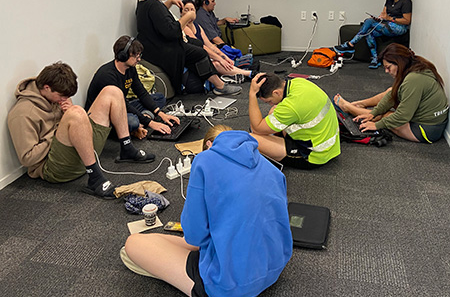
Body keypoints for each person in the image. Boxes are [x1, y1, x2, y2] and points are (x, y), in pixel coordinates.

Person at [120, 125, 293, 296]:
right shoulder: (268, 165)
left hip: (230, 285)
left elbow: (195, 237)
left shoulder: (205, 161)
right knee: (168, 240)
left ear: (209, 145)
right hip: (274, 266)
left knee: (132, 245)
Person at [7, 62, 155, 199]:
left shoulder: (54, 96)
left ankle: (126, 148)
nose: (63, 99)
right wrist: (58, 130)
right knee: (76, 113)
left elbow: (71, 122)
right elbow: (27, 158)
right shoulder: (22, 113)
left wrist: (67, 111)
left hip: (80, 152)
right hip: (53, 168)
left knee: (112, 91)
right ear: (46, 88)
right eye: (61, 96)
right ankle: (95, 178)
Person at [136, 0, 241, 96]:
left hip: (154, 44)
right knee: (200, 52)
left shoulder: (144, 1)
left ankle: (219, 76)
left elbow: (159, 18)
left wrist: (169, 3)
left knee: (197, 44)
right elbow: (171, 31)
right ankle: (219, 85)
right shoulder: (153, 5)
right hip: (161, 49)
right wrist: (187, 17)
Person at [333, 43, 449, 143]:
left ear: (399, 63)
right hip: (425, 117)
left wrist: (376, 125)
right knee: (390, 92)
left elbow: (403, 115)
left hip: (427, 130)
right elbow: (392, 94)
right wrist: (373, 113)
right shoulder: (414, 65)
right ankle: (360, 105)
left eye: (388, 67)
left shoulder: (414, 79)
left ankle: (348, 108)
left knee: (386, 116)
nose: (386, 71)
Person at [85, 36, 179, 139]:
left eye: (139, 55)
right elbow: (123, 106)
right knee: (132, 121)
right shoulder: (107, 76)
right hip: (106, 117)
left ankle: (140, 124)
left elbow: (142, 93)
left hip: (123, 107)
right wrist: (151, 123)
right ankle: (137, 125)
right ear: (123, 56)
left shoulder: (130, 69)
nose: (139, 59)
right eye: (136, 56)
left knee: (159, 98)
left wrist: (161, 114)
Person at [249, 73, 340, 169]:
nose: (270, 104)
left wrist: (252, 94)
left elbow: (256, 128)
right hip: (329, 145)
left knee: (251, 138)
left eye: (268, 101)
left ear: (276, 92)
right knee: (274, 110)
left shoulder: (290, 106)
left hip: (315, 155)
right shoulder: (298, 82)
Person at [334, 0, 412, 69]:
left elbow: (407, 20)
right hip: (388, 24)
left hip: (400, 28)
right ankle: (375, 59)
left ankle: (350, 44)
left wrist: (390, 19)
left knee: (369, 22)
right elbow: (384, 13)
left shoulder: (406, 1)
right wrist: (379, 18)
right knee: (369, 32)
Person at [180, 0, 257, 84]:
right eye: (186, 10)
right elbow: (202, 47)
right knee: (217, 64)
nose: (190, 13)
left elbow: (209, 44)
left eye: (192, 10)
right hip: (198, 58)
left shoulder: (197, 26)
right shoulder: (184, 28)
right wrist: (220, 59)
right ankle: (248, 73)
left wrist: (224, 57)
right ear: (181, 13)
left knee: (226, 57)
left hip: (207, 54)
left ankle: (239, 72)